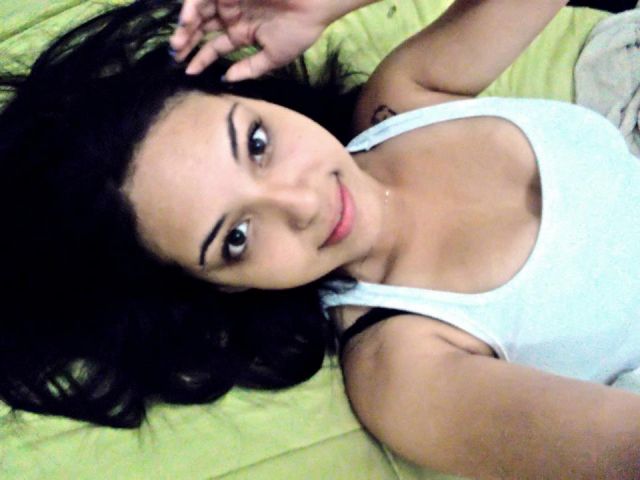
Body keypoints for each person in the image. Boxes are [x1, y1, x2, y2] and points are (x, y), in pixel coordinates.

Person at [1, 0, 639, 477]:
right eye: (237, 237)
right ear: (216, 288)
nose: (304, 203)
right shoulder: (401, 367)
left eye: (257, 142)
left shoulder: (404, 100)